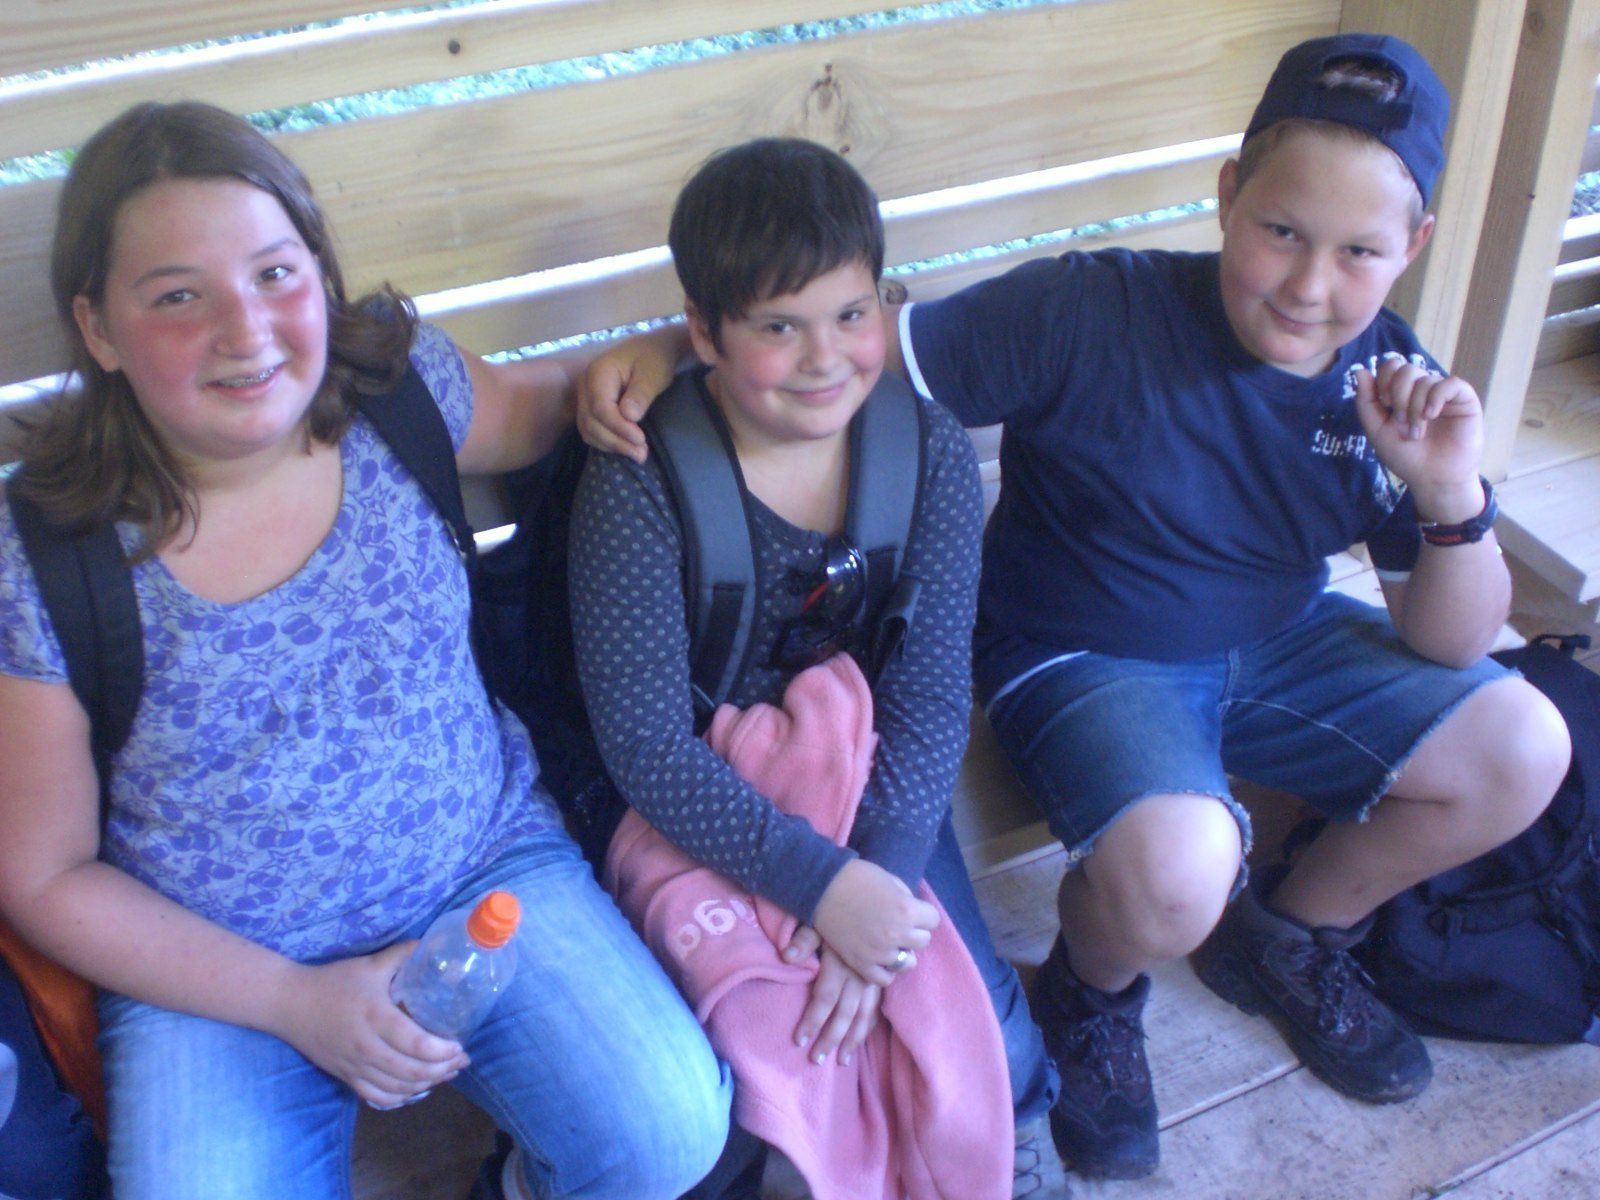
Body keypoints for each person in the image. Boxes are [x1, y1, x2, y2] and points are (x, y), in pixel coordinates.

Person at [574, 33, 1575, 1184]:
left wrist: (1450, 498)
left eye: (1357, 251)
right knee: (1182, 866)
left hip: (1283, 644)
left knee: (1524, 742)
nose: (1309, 285)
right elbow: (839, 343)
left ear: (1412, 246)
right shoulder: (1088, 310)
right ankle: (1093, 998)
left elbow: (1450, 640)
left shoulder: (1387, 382)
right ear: (1228, 195)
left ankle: (1290, 932)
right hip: (1090, 657)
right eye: (1280, 231)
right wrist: (667, 350)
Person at [0, 101, 730, 1200]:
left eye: (274, 274)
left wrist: (664, 348)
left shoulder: (399, 395)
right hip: (220, 967)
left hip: (480, 870)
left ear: (320, 276)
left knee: (666, 1133)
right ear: (99, 329)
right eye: (178, 297)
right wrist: (293, 1001)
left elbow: (562, 408)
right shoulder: (48, 551)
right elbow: (44, 874)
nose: (245, 329)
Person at [568, 138, 1057, 1199]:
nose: (824, 357)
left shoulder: (923, 451)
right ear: (704, 333)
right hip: (698, 796)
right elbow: (643, 745)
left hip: (868, 778)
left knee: (983, 1035)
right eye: (777, 327)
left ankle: (1010, 1145)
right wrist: (823, 889)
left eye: (849, 314)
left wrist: (878, 878)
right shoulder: (642, 480)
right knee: (775, 1067)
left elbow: (929, 692)